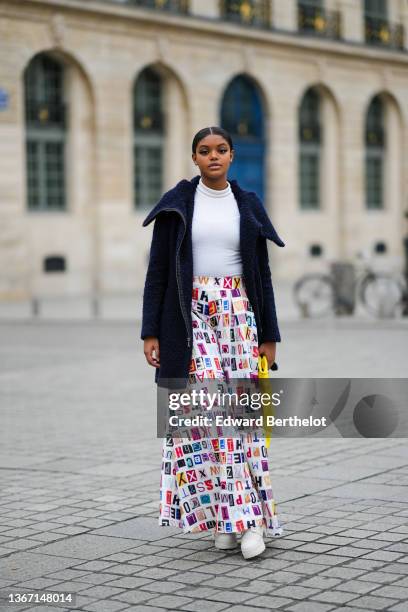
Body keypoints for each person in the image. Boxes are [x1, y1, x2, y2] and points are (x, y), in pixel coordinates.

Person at [141, 126, 285, 559]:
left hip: (240, 312)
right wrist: (150, 331)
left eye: (221, 149)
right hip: (191, 316)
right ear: (195, 159)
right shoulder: (178, 207)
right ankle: (228, 519)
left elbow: (262, 276)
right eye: (204, 151)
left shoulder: (248, 205)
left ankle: (245, 523)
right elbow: (158, 274)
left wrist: (270, 335)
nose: (213, 157)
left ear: (232, 155)